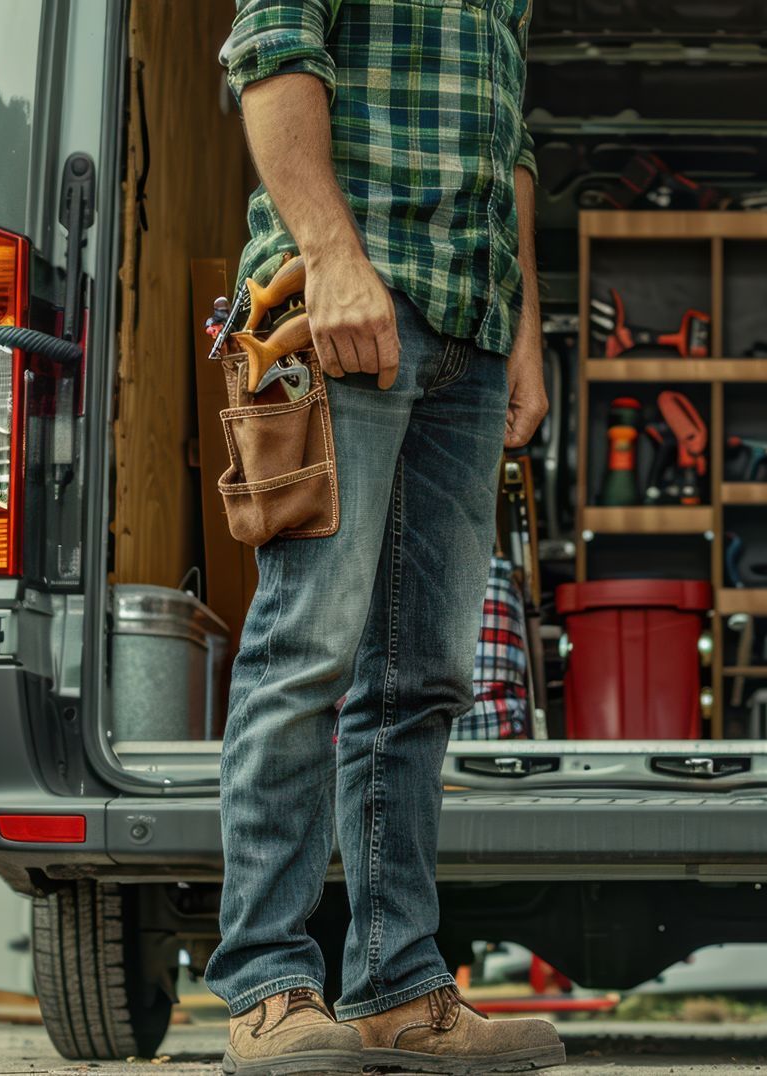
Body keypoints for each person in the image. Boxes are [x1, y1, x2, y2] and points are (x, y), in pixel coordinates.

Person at [207, 2, 560, 1072]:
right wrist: (329, 252)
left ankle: (396, 982)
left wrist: (527, 331)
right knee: (306, 645)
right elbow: (269, 46)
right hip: (343, 301)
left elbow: (513, 140)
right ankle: (269, 982)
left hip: (471, 324)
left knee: (422, 677)